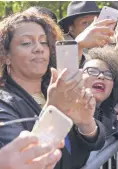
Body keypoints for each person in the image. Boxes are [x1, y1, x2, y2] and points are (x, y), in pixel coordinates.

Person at [0, 12, 106, 169]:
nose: (38, 49)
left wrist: (86, 124)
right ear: (5, 56)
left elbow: (95, 144)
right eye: (26, 43)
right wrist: (54, 110)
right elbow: (31, 159)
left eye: (43, 42)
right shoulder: (3, 104)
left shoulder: (55, 89)